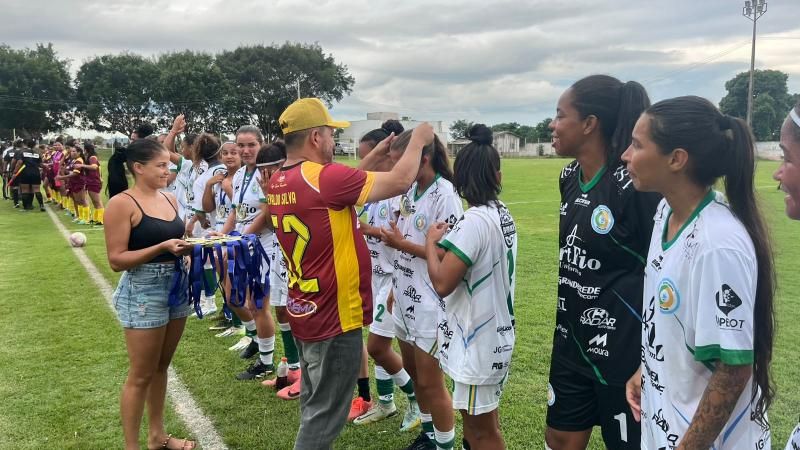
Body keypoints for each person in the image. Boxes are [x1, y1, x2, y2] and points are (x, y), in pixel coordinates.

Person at [268, 97, 433, 450]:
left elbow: (349, 181)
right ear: (315, 137)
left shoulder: (280, 178)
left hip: (305, 308)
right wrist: (418, 138)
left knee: (315, 407)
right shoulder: (326, 179)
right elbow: (401, 180)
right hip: (333, 314)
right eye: (330, 134)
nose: (332, 141)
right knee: (324, 418)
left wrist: (378, 154)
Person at [622, 96, 775, 449]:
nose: (626, 156)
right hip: (665, 426)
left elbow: (734, 369)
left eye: (636, 145)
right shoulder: (665, 212)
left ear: (676, 159)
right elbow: (675, 321)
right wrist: (648, 368)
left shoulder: (717, 243)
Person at [545, 74, 658, 450]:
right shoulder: (568, 178)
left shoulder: (633, 186)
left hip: (624, 356)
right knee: (559, 439)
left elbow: (660, 268)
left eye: (561, 116)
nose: (552, 124)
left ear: (589, 124)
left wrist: (647, 360)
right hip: (571, 344)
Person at [425, 124, 518, 450]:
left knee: (481, 432)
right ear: (497, 176)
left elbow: (441, 283)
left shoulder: (474, 221)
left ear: (460, 178)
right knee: (480, 424)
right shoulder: (501, 213)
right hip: (493, 332)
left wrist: (429, 242)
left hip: (479, 339)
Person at [104, 138, 195, 450]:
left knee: (161, 366)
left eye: (168, 164)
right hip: (143, 291)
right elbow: (116, 260)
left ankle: (157, 437)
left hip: (176, 286)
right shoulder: (122, 204)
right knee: (141, 375)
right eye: (160, 165)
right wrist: (161, 247)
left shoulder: (169, 199)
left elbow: (176, 238)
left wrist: (187, 250)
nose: (167, 169)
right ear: (138, 168)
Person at [379, 129, 463, 450]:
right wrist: (394, 287)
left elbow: (448, 253)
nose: (398, 170)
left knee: (431, 382)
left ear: (423, 159)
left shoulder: (446, 195)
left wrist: (402, 244)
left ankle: (444, 445)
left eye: (403, 162)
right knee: (415, 373)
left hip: (430, 301)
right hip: (403, 295)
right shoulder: (410, 189)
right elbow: (403, 239)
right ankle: (429, 436)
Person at [352, 120, 422, 431]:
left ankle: (415, 398)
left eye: (371, 157)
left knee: (377, 347)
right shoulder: (366, 191)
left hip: (395, 278)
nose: (365, 165)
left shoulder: (398, 192)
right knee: (378, 344)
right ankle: (386, 403)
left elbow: (404, 234)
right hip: (373, 275)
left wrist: (369, 230)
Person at [218, 125, 277, 380]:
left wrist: (243, 237)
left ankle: (266, 362)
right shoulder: (240, 174)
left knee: (258, 303)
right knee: (233, 296)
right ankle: (254, 337)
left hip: (263, 243)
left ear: (261, 144)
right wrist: (222, 234)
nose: (245, 150)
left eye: (251, 145)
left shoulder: (268, 173)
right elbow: (236, 210)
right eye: (240, 145)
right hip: (243, 241)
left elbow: (267, 214)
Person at [12, 139, 45, 211]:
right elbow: (41, 164)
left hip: (25, 172)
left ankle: (26, 207)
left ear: (26, 144)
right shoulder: (37, 153)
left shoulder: (23, 152)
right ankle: (41, 206)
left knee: (25, 190)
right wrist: (46, 166)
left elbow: (19, 163)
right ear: (34, 145)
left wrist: (14, 172)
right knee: (37, 189)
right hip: (35, 172)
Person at [77, 143, 105, 225]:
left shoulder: (92, 157)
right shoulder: (88, 157)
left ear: (86, 149)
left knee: (97, 201)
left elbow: (94, 167)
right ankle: (96, 219)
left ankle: (101, 220)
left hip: (94, 181)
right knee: (94, 201)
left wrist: (82, 165)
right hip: (90, 181)